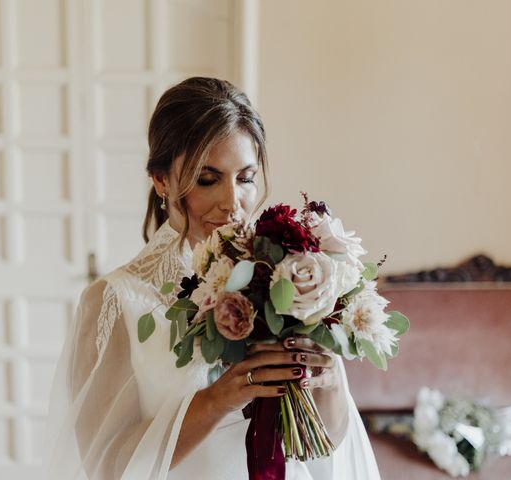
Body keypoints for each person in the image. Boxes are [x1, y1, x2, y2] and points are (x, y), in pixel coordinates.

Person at [42, 77, 382, 479]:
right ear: (161, 179)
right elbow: (107, 467)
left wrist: (327, 380)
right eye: (208, 179)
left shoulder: (288, 279)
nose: (231, 203)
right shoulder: (115, 301)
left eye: (245, 178)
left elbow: (327, 442)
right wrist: (217, 399)